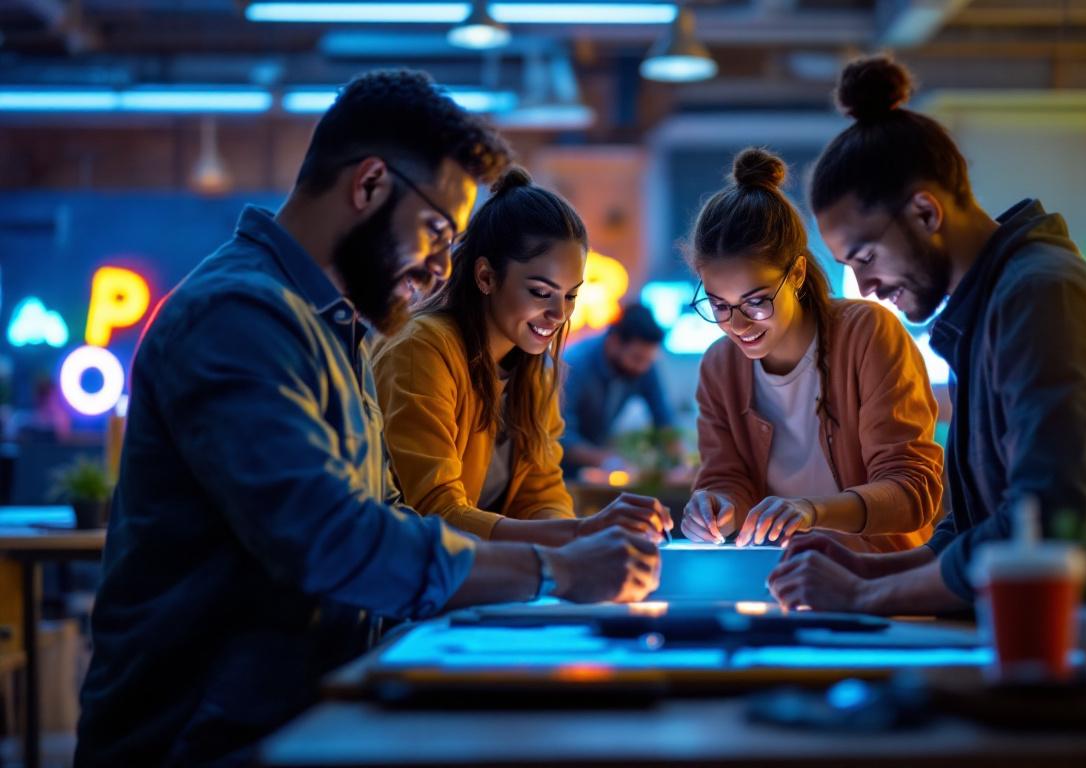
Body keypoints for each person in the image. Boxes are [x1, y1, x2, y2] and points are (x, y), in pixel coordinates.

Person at [76, 70, 660, 768]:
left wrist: (567, 547)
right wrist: (553, 570)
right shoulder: (238, 316)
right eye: (438, 231)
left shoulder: (332, 327)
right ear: (370, 185)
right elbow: (330, 539)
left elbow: (391, 518)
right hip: (202, 739)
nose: (443, 267)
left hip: (299, 714)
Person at [769, 55, 1086, 670]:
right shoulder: (987, 308)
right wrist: (873, 565)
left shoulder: (1042, 296)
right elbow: (977, 530)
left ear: (925, 212)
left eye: (865, 257)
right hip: (1085, 660)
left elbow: (1045, 525)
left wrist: (866, 593)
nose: (866, 286)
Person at [373, 168, 673, 546]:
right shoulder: (422, 350)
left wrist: (580, 545)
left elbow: (541, 495)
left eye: (569, 295)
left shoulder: (535, 370)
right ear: (485, 277)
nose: (560, 314)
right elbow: (435, 513)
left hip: (489, 576)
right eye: (540, 291)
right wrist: (580, 532)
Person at [679, 147, 943, 553]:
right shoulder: (720, 365)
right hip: (775, 579)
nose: (738, 324)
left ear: (797, 273)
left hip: (877, 580)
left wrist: (812, 511)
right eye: (719, 305)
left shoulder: (868, 334)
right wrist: (717, 505)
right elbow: (727, 477)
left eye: (756, 301)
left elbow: (912, 492)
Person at [559, 303, 681, 477]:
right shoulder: (574, 364)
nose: (642, 368)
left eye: (649, 360)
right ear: (614, 341)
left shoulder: (643, 365)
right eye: (637, 358)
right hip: (557, 470)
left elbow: (663, 417)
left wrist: (677, 464)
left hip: (593, 470)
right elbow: (561, 435)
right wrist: (608, 460)